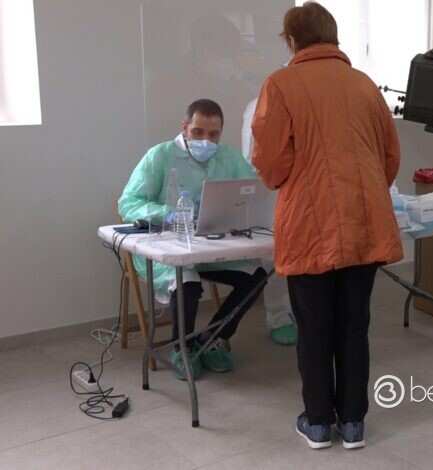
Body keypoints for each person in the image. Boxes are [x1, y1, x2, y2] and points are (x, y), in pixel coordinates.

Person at [250, 1, 402, 451]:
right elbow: (389, 156)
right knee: (354, 325)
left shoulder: (280, 84)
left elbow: (270, 162)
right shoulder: (364, 84)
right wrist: (365, 190)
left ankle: (318, 423)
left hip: (308, 224)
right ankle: (353, 423)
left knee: (314, 327)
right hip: (365, 221)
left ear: (291, 40)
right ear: (334, 36)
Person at [118, 99, 268, 381]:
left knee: (256, 276)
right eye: (198, 132)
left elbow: (251, 192)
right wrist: (169, 213)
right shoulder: (160, 156)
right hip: (167, 246)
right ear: (184, 127)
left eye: (213, 134)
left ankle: (212, 339)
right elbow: (128, 203)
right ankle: (182, 348)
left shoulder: (229, 157)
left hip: (211, 245)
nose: (205, 141)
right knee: (187, 281)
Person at [241, 97, 298, 346]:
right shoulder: (261, 104)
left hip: (306, 189)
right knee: (276, 255)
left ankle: (303, 314)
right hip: (271, 189)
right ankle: (279, 317)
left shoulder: (317, 100)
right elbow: (253, 156)